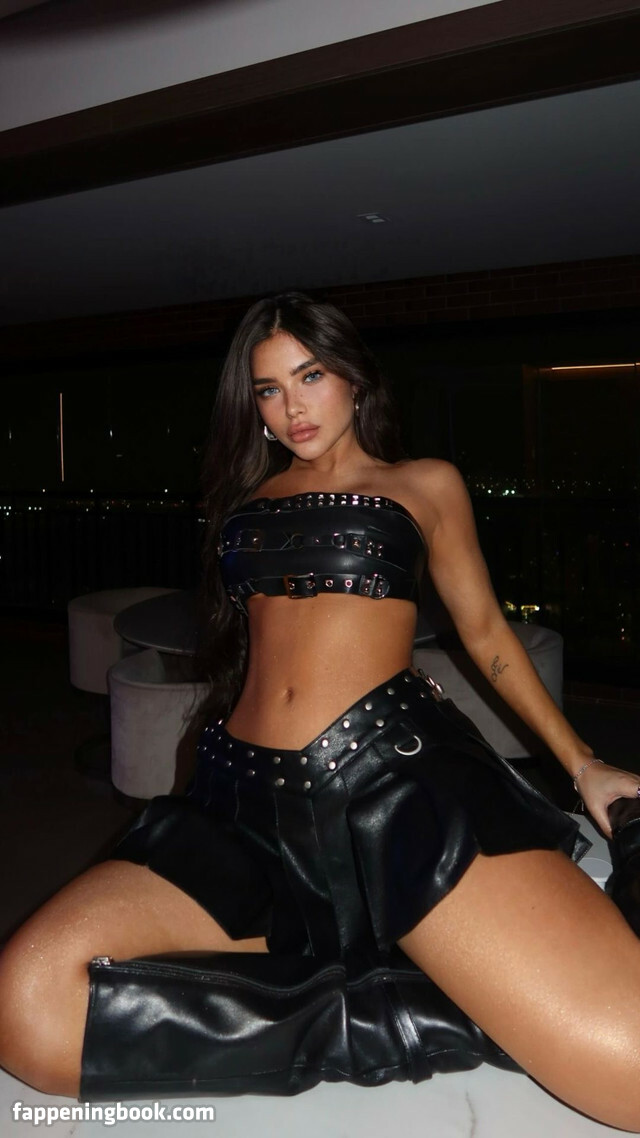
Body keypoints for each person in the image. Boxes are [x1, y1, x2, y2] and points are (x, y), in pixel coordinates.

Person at [1, 291, 640, 1130]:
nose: (291, 406)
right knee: (31, 1009)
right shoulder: (248, 500)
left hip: (395, 792)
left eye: (310, 376)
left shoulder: (423, 484)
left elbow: (486, 633)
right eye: (267, 389)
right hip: (240, 807)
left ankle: (471, 976)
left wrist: (581, 762)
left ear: (355, 379)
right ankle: (418, 1010)